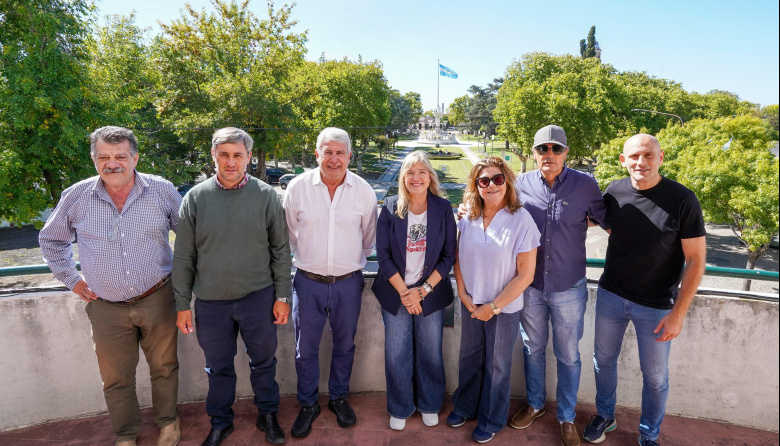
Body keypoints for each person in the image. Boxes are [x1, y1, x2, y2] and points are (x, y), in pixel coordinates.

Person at [39, 126, 181, 446]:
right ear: (93, 159)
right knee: (115, 378)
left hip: (157, 297)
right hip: (104, 306)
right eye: (104, 157)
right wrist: (71, 279)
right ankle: (126, 434)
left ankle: (169, 423)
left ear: (135, 157)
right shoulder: (76, 196)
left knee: (164, 367)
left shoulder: (161, 190)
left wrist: (184, 281)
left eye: (120, 156)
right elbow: (51, 241)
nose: (112, 163)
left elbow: (188, 234)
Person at [583, 134, 706, 446]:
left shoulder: (683, 199)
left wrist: (678, 314)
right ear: (623, 161)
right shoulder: (614, 190)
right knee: (603, 361)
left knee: (655, 377)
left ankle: (649, 434)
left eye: (649, 155)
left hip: (656, 305)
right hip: (611, 295)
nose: (642, 162)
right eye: (634, 156)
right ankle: (605, 415)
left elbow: (695, 261)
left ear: (661, 158)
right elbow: (593, 221)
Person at [172, 127, 292, 446]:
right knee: (218, 368)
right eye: (223, 154)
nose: (230, 161)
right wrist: (182, 304)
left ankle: (267, 414)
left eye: (237, 155)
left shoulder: (266, 196)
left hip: (259, 298)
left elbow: (281, 250)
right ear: (214, 156)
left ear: (248, 157)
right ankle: (221, 421)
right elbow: (184, 256)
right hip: (211, 304)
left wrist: (282, 296)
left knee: (264, 363)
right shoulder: (195, 199)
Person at [510, 125, 606, 446]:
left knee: (568, 355)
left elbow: (611, 223)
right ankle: (536, 404)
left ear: (566, 152)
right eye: (542, 149)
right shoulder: (519, 185)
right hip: (531, 285)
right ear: (534, 152)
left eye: (555, 149)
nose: (548, 154)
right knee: (532, 348)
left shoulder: (586, 185)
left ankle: (566, 416)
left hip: (569, 287)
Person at [283, 127, 378, 438]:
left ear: (349, 156)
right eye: (328, 152)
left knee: (344, 345)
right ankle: (308, 403)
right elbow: (288, 237)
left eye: (340, 152)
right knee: (304, 349)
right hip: (307, 283)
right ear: (317, 155)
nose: (334, 159)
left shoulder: (364, 191)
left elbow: (368, 240)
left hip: (348, 284)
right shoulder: (297, 188)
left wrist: (346, 263)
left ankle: (338, 397)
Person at [447, 157, 539, 444]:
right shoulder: (468, 216)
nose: (491, 185)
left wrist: (494, 306)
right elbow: (458, 257)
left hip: (504, 308)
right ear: (476, 185)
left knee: (497, 367)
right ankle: (465, 407)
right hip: (471, 302)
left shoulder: (521, 219)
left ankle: (491, 419)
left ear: (507, 182)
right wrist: (462, 292)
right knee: (469, 358)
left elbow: (526, 275)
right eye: (483, 180)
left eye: (497, 179)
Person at [371, 150, 457, 431]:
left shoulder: (443, 208)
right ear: (403, 177)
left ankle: (430, 404)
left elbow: (448, 256)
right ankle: (400, 406)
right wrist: (406, 293)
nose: (416, 177)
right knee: (397, 353)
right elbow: (382, 255)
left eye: (421, 172)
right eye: (410, 172)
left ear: (430, 176)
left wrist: (422, 291)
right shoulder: (391, 206)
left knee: (430, 351)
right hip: (396, 294)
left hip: (429, 294)